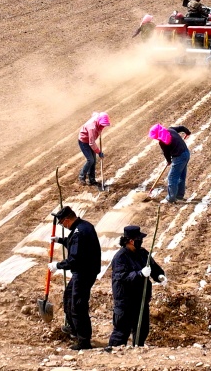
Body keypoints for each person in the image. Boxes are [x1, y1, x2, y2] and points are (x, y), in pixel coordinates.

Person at [49, 206, 102, 350]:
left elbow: (75, 259)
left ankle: (83, 341)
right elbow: (77, 245)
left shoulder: (79, 232)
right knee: (68, 298)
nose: (62, 226)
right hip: (83, 271)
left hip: (84, 272)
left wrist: (58, 266)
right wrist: (61, 240)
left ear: (67, 220)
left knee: (78, 305)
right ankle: (74, 329)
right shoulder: (83, 227)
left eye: (61, 223)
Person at [107, 226, 167, 349]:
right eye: (139, 238)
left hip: (141, 298)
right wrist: (139, 274)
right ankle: (114, 352)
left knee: (142, 329)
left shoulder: (143, 253)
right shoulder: (120, 257)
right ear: (130, 240)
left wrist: (160, 276)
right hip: (125, 299)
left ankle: (137, 350)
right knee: (122, 330)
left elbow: (154, 268)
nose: (141, 241)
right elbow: (121, 276)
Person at [148, 123, 191, 204]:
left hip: (179, 157)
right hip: (186, 154)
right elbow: (181, 127)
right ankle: (179, 196)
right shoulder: (171, 129)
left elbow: (166, 153)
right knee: (181, 176)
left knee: (172, 177)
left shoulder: (162, 142)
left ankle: (170, 198)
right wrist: (187, 132)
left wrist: (168, 161)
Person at [78, 112, 111, 186]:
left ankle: (91, 180)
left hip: (89, 141)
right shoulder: (92, 127)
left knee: (94, 161)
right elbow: (91, 143)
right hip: (84, 142)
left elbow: (94, 113)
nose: (103, 127)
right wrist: (98, 152)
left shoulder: (98, 118)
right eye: (102, 125)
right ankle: (81, 176)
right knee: (90, 160)